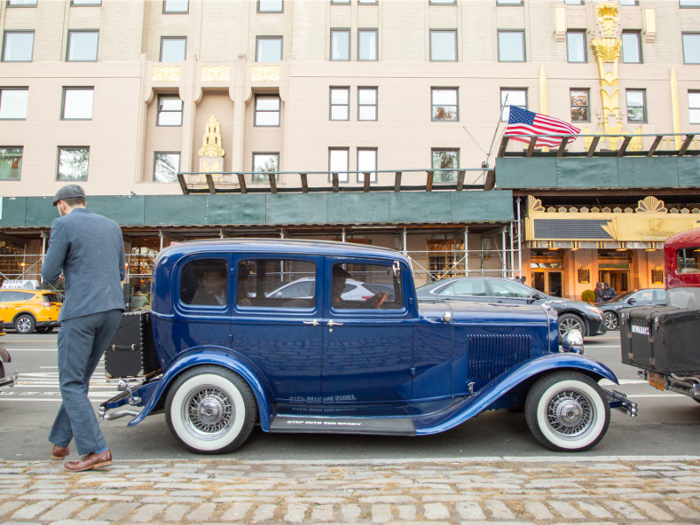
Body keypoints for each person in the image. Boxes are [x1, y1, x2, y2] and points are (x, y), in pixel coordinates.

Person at [41, 184, 125, 472]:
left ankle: (96, 449)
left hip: (81, 312)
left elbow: (48, 273)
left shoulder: (62, 224)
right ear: (84, 202)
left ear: (62, 204)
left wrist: (71, 278)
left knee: (71, 382)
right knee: (79, 381)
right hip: (112, 310)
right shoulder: (112, 226)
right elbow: (121, 273)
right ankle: (61, 442)